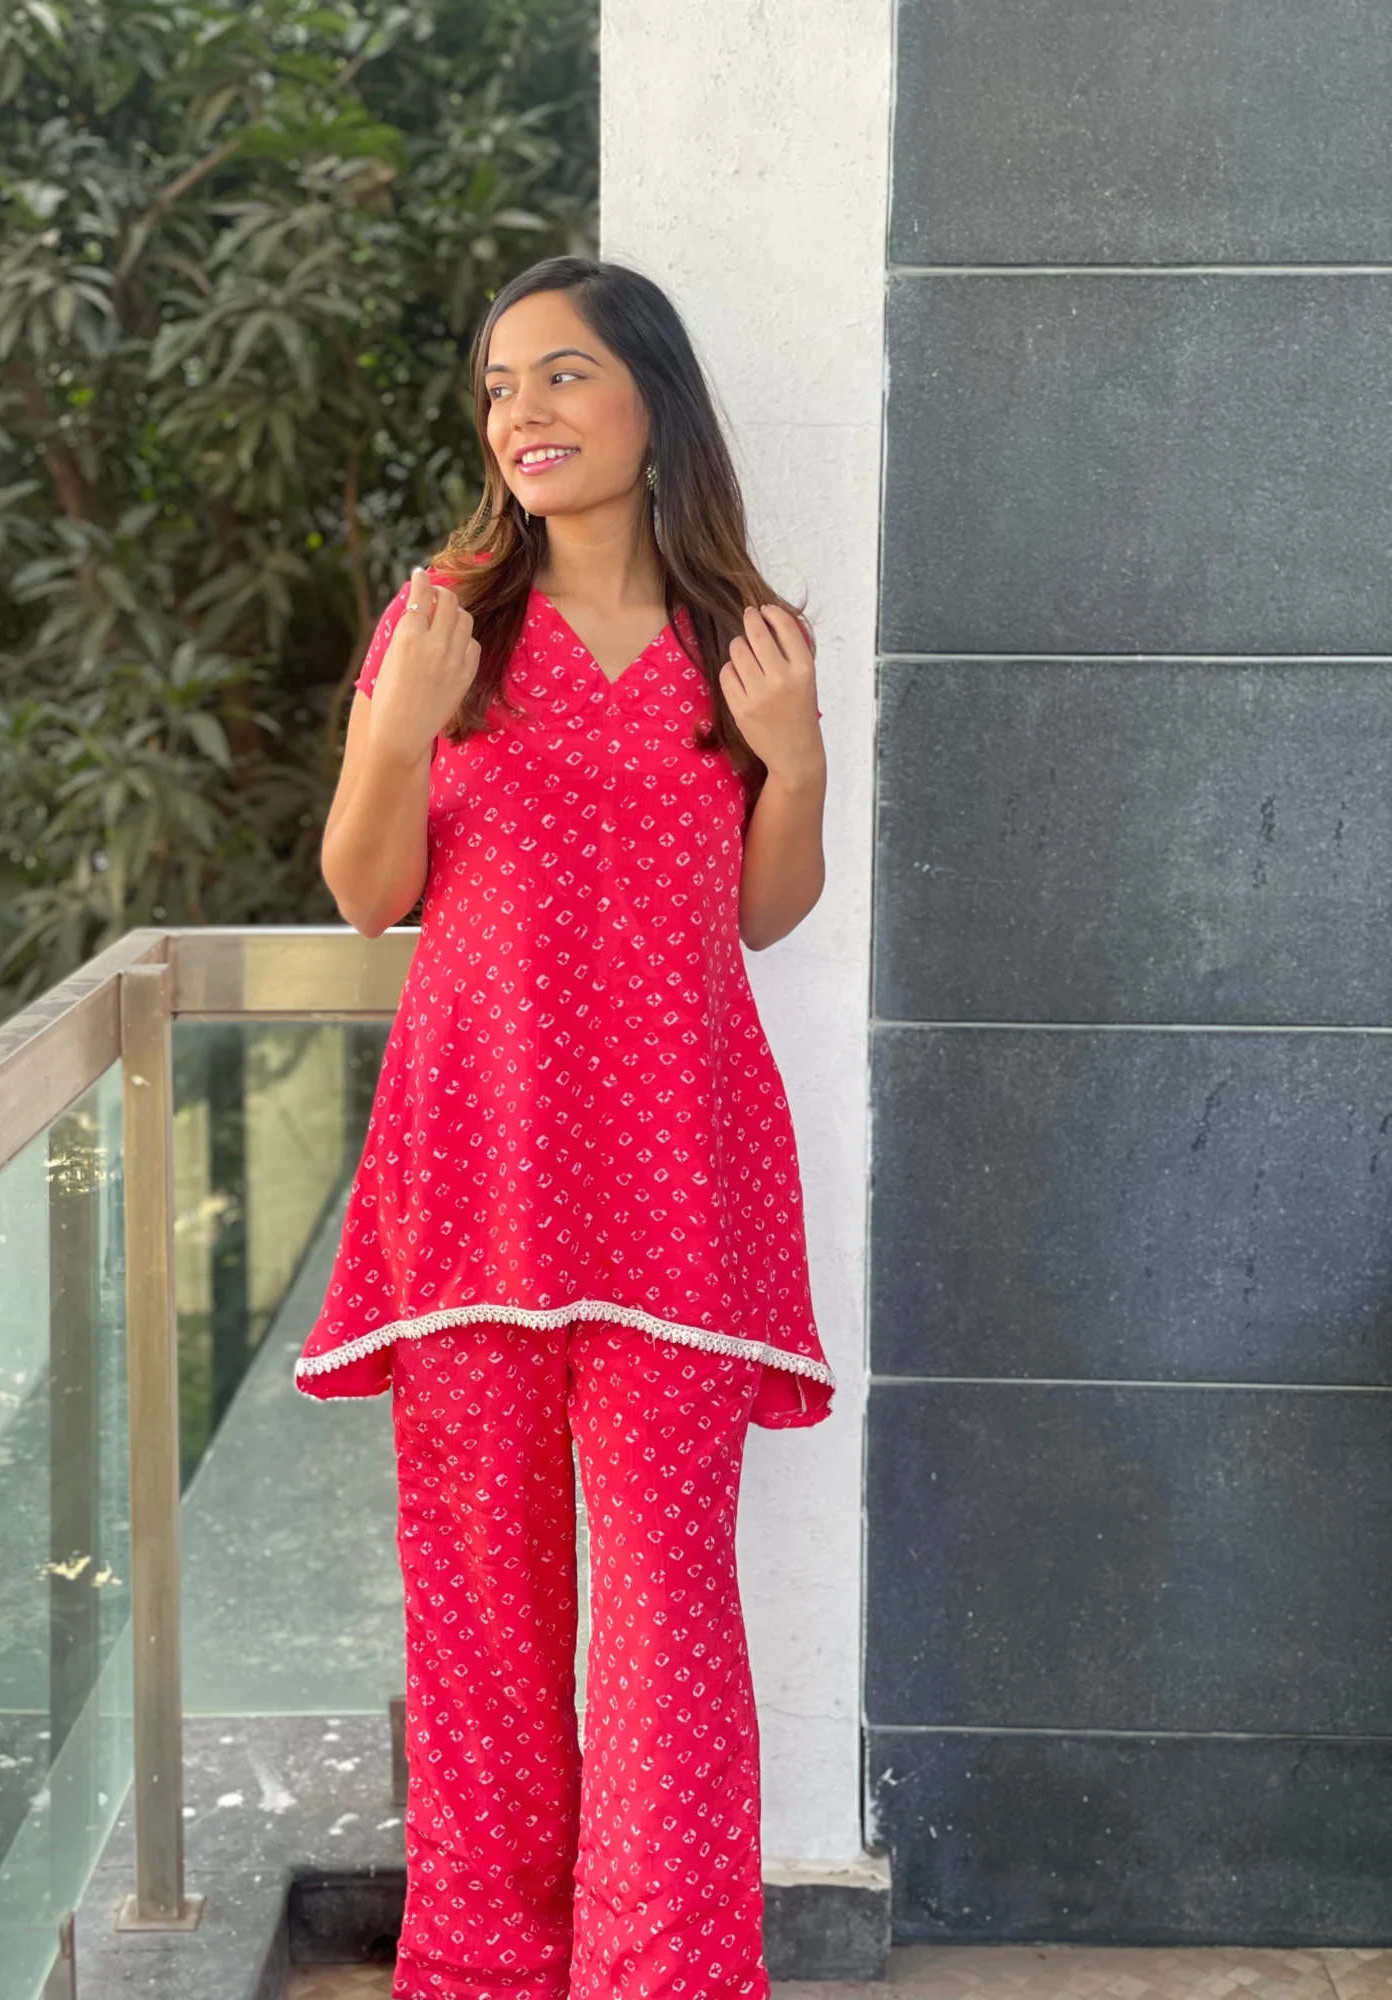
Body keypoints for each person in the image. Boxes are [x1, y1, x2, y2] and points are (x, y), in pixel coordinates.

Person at [294, 254, 834, 2000]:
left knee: (669, 1626)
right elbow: (366, 893)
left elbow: (763, 914)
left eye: (562, 374)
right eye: (497, 387)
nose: (520, 412)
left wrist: (797, 760)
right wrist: (399, 729)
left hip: (677, 1183)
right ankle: (481, 1974)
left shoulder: (743, 641)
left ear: (653, 399)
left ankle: (664, 1978)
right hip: (477, 1177)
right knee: (482, 1623)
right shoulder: (443, 626)